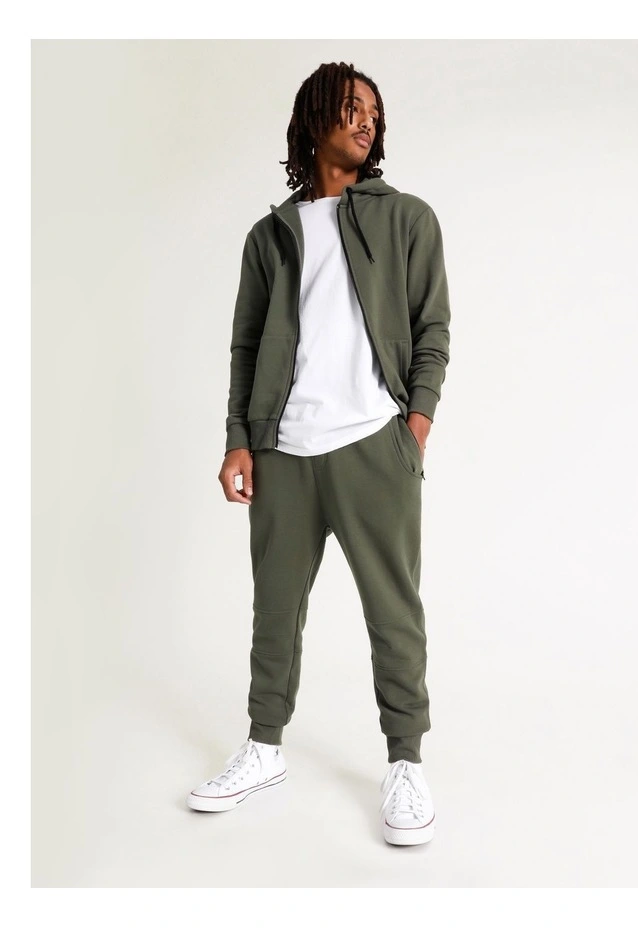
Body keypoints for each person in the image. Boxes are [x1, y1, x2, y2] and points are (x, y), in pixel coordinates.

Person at [186, 61, 451, 846]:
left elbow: (432, 328)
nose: (366, 120)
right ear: (314, 117)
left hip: (375, 445)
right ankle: (264, 748)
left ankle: (405, 762)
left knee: (393, 612)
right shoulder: (270, 237)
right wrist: (239, 439)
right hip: (284, 452)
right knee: (275, 610)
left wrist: (415, 425)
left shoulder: (408, 219)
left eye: (374, 111)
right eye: (351, 106)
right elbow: (245, 346)